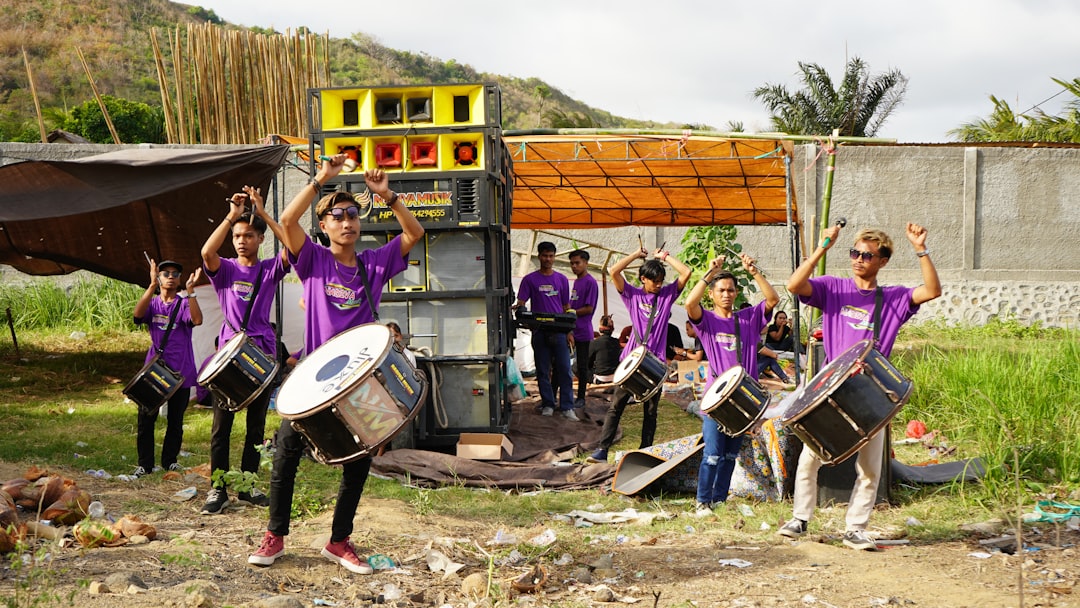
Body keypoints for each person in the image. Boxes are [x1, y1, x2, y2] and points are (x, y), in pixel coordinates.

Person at [248, 155, 424, 573]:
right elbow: (289, 221)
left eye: (352, 214)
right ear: (324, 226)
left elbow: (414, 232)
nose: (346, 222)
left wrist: (388, 196)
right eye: (336, 216)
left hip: (359, 382)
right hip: (313, 378)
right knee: (286, 453)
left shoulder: (373, 264)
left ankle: (339, 541)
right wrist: (319, 180)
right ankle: (275, 536)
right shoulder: (312, 260)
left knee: (358, 463)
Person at [778, 223, 941, 551]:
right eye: (854, 253)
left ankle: (855, 528)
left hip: (871, 395)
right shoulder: (833, 288)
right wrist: (822, 247)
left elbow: (932, 291)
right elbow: (794, 285)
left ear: (882, 261)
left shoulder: (893, 298)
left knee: (869, 468)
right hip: (831, 391)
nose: (858, 259)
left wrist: (921, 249)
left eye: (867, 255)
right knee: (811, 457)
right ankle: (799, 519)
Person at [199, 185, 291, 515]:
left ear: (260, 239)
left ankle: (249, 485)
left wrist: (263, 213)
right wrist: (231, 216)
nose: (241, 240)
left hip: (262, 352)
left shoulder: (269, 270)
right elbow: (206, 253)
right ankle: (217, 489)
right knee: (221, 427)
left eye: (249, 235)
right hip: (229, 354)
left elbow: (293, 246)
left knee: (255, 426)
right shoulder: (224, 269)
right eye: (238, 235)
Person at [686, 253, 779, 509]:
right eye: (721, 290)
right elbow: (689, 304)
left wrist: (754, 272)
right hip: (716, 399)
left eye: (730, 290)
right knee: (712, 455)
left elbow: (773, 299)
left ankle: (719, 500)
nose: (726, 294)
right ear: (713, 295)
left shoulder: (748, 319)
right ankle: (702, 502)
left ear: (736, 293)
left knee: (729, 456)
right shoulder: (706, 321)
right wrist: (710, 272)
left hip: (744, 400)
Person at [587, 245, 692, 462]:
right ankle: (602, 450)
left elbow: (686, 273)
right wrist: (635, 255)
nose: (659, 285)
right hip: (631, 361)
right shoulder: (632, 295)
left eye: (662, 281)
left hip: (656, 363)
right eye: (655, 281)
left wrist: (665, 257)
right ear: (643, 279)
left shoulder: (666, 296)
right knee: (616, 406)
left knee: (651, 411)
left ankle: (645, 450)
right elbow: (614, 271)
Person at [132, 259, 203, 477]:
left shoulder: (183, 304)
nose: (170, 276)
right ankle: (145, 464)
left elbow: (197, 320)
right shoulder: (153, 304)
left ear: (180, 279)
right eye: (165, 273)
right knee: (146, 418)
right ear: (159, 277)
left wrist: (190, 292)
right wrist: (151, 285)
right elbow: (136, 315)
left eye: (175, 273)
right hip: (154, 371)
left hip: (180, 371)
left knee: (175, 420)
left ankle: (169, 461)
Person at [513, 242, 578, 421]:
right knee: (542, 370)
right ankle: (548, 404)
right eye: (544, 255)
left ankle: (567, 407)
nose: (548, 259)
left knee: (565, 370)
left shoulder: (562, 280)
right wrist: (519, 309)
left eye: (551, 256)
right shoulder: (530, 279)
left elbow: (567, 307)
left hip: (559, 332)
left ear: (554, 257)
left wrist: (569, 331)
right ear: (539, 256)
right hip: (539, 332)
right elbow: (521, 302)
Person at [568, 249, 598, 409]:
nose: (574, 266)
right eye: (572, 263)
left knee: (582, 366)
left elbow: (589, 308)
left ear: (586, 263)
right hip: (570, 329)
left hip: (583, 331)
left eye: (577, 263)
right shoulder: (576, 281)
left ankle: (581, 397)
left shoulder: (590, 282)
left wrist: (571, 312)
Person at [588, 315, 621, 384]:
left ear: (600, 328)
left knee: (576, 367)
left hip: (601, 379)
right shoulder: (616, 342)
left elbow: (588, 362)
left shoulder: (595, 342)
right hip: (615, 376)